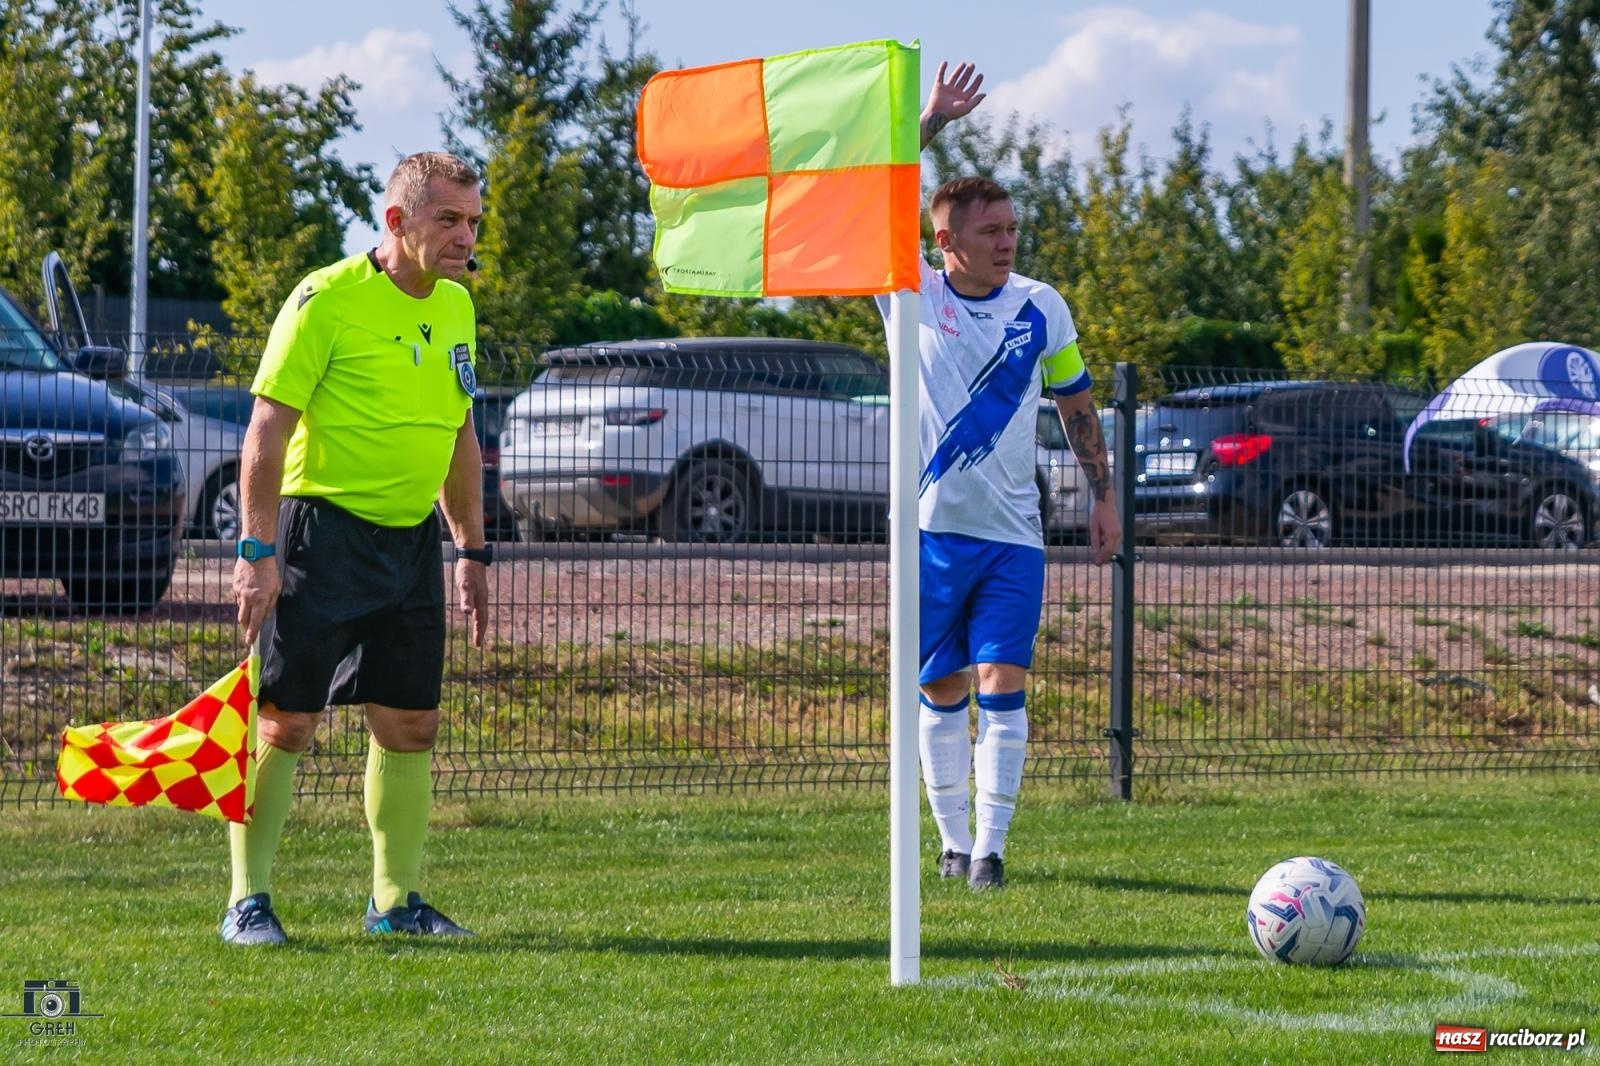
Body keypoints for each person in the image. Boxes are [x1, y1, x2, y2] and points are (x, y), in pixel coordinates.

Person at [223, 151, 491, 945]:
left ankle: (395, 903)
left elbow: (460, 434)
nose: (465, 237)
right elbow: (264, 434)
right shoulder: (323, 300)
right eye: (449, 219)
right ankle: (248, 900)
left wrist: (471, 551)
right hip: (318, 539)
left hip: (410, 546)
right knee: (285, 723)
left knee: (410, 725)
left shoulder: (456, 308)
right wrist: (256, 550)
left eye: (474, 221)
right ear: (398, 221)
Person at [884, 63, 1122, 890]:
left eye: (1013, 228)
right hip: (927, 535)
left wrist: (1104, 496)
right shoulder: (907, 288)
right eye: (990, 231)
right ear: (945, 241)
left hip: (1015, 537)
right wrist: (929, 122)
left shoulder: (1041, 305)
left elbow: (1077, 403)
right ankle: (951, 844)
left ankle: (990, 852)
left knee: (1003, 684)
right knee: (941, 686)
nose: (1008, 240)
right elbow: (874, 195)